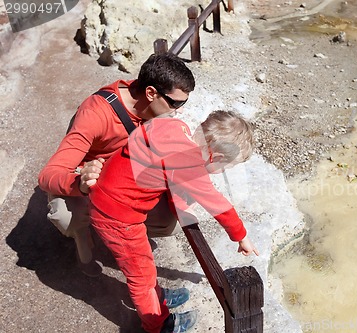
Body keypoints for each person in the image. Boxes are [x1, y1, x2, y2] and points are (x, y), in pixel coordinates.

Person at [88, 110, 259, 333]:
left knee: (145, 267)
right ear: (215, 158)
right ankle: (157, 323)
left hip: (107, 194)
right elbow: (218, 204)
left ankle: (157, 298)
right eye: (224, 168)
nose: (220, 172)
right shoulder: (190, 164)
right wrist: (241, 236)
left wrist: (180, 206)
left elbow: (167, 173)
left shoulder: (175, 128)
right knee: (142, 276)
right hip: (117, 216)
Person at [37, 52, 195, 277]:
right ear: (151, 93)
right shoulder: (96, 114)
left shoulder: (150, 103)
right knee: (65, 214)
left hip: (120, 177)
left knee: (174, 217)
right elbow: (47, 176)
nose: (180, 110)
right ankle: (85, 240)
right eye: (176, 103)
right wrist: (80, 183)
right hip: (88, 179)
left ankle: (122, 234)